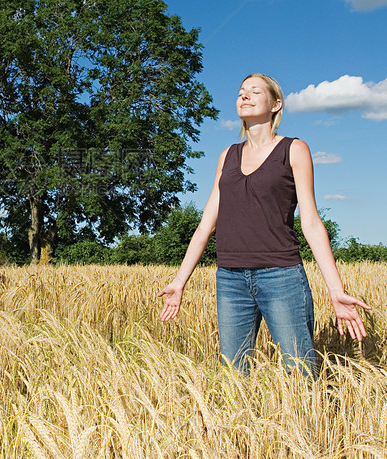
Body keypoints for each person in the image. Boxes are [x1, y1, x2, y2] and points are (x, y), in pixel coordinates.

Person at [158, 73, 370, 376]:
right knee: (233, 375)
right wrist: (180, 281)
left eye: (255, 92)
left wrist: (336, 290)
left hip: (281, 277)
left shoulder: (294, 150)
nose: (244, 96)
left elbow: (310, 221)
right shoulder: (227, 156)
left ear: (276, 104)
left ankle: (305, 424)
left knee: (299, 373)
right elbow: (206, 224)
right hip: (230, 280)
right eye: (241, 91)